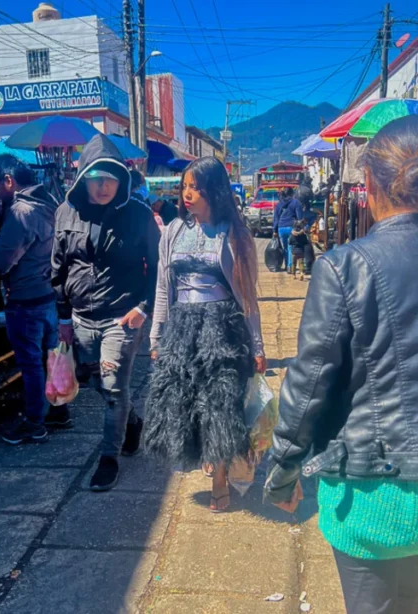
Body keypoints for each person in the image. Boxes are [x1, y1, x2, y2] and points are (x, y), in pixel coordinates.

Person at [264, 115, 418, 613]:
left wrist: (283, 471)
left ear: (368, 185)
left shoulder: (345, 266)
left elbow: (308, 385)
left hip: (374, 497)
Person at [143, 157, 266, 511]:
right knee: (185, 401)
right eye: (184, 187)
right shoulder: (173, 231)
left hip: (222, 329)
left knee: (220, 404)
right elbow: (163, 288)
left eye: (195, 188)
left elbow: (247, 295)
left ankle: (220, 478)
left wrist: (257, 346)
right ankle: (207, 456)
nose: (187, 194)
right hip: (182, 328)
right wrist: (156, 337)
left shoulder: (234, 234)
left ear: (214, 190)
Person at [52, 135, 161, 490]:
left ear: (121, 179)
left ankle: (108, 458)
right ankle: (132, 423)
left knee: (114, 387)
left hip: (122, 317)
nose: (103, 186)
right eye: (95, 178)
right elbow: (58, 268)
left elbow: (159, 267)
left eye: (110, 178)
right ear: (83, 177)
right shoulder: (65, 213)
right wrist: (64, 318)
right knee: (98, 383)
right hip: (81, 317)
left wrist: (143, 308)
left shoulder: (139, 215)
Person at [0, 154, 59, 445]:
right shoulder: (48, 203)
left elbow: (0, 263)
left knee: (32, 364)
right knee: (51, 359)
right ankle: (59, 411)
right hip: (47, 295)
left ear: (9, 181)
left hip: (26, 299)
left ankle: (35, 423)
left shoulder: (21, 212)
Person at [273, 187, 303, 271]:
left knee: (285, 248)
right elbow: (299, 217)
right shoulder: (296, 202)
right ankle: (290, 266)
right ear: (292, 193)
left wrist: (274, 231)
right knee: (291, 247)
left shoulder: (279, 204)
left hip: (281, 228)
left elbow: (276, 219)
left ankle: (287, 265)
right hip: (291, 228)